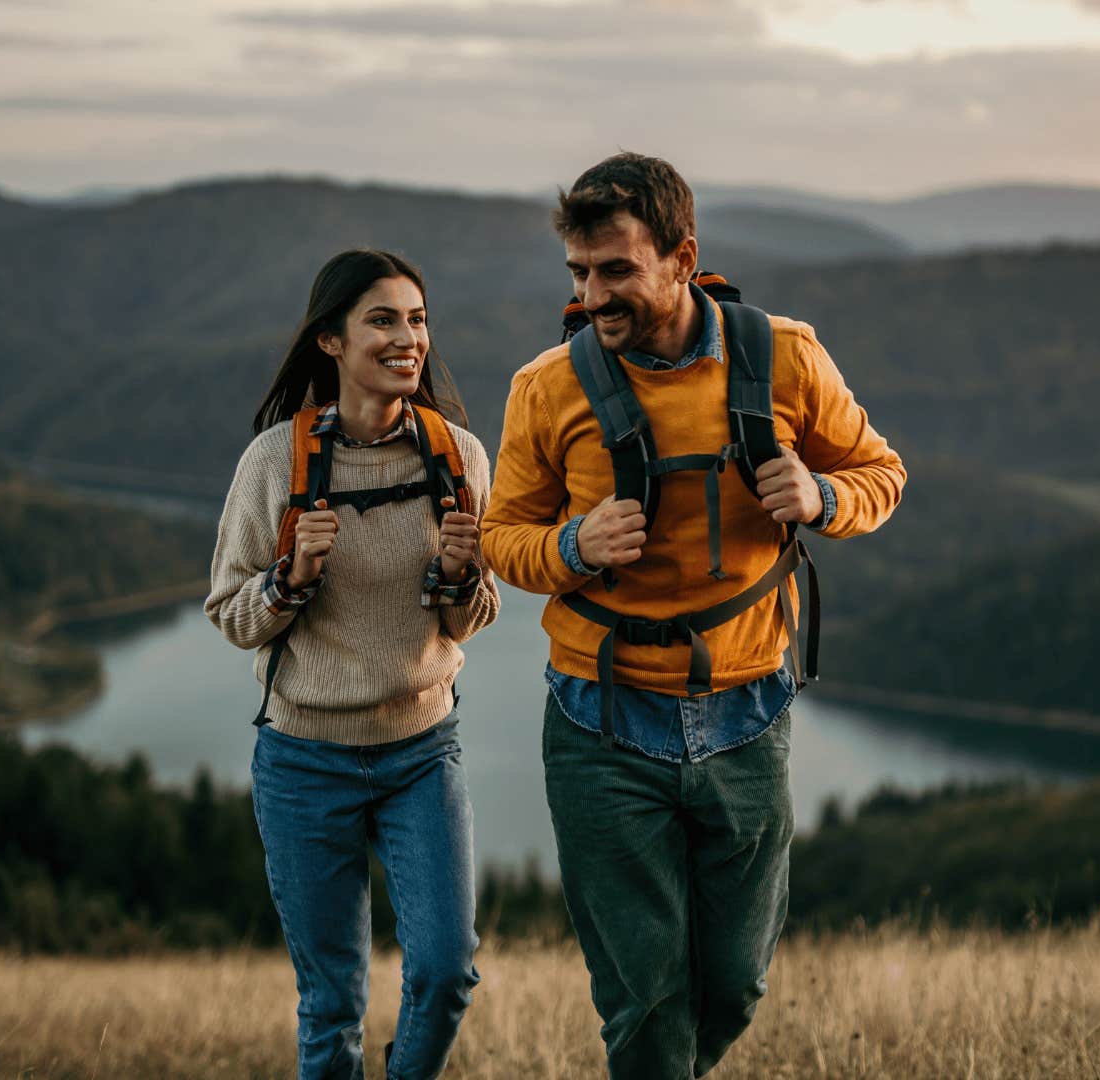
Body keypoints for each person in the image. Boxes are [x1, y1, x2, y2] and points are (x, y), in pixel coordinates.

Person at [480, 153, 907, 1078]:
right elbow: (502, 535)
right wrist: (572, 548)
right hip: (600, 722)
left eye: (617, 270)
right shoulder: (546, 388)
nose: (594, 295)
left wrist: (823, 497)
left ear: (682, 258)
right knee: (645, 1001)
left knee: (734, 986)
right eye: (580, 273)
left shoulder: (787, 354)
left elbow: (882, 473)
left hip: (749, 716)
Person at [206, 249, 498, 1080]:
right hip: (304, 762)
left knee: (445, 972)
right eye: (383, 319)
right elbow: (232, 615)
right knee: (331, 1000)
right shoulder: (275, 463)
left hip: (421, 751)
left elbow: (468, 622)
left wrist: (459, 573)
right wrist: (289, 578)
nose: (409, 338)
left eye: (417, 319)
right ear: (330, 342)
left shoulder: (459, 458)